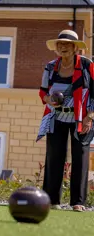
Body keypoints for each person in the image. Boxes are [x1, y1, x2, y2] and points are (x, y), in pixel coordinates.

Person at [37, 30, 94, 212]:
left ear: (75, 47)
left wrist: (90, 117)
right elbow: (43, 92)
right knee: (54, 157)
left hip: (81, 118)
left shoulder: (87, 65)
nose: (63, 47)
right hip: (56, 116)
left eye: (67, 44)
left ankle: (78, 202)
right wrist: (48, 100)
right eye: (60, 44)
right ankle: (52, 201)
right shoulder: (51, 66)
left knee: (80, 157)